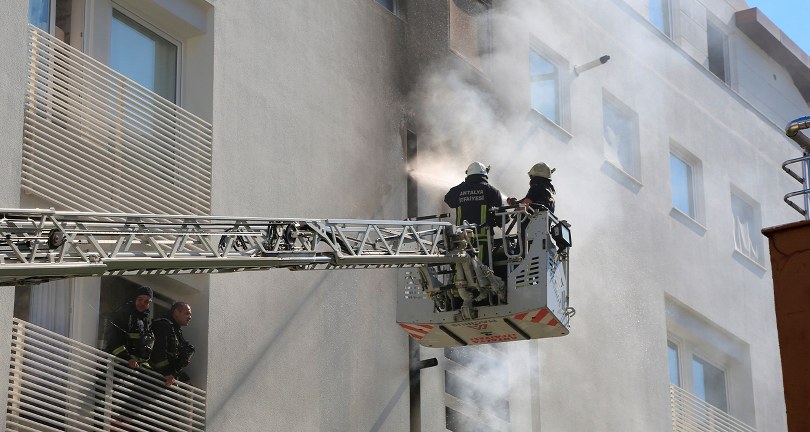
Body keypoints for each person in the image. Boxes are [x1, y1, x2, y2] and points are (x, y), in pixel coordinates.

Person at [444, 161, 505, 264]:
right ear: (484, 175)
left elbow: (448, 200)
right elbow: (502, 219)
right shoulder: (492, 191)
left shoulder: (457, 190)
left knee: (461, 270)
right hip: (482, 239)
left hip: (461, 239)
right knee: (482, 271)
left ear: (468, 174)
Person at [105, 286, 155, 369]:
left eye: (146, 301)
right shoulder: (124, 314)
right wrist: (127, 358)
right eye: (140, 299)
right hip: (119, 366)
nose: (142, 303)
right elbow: (113, 340)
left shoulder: (145, 320)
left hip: (135, 369)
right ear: (134, 299)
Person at [150, 302, 195, 387]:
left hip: (165, 382)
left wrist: (184, 378)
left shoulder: (176, 331)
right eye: (187, 313)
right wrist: (167, 373)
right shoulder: (163, 326)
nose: (190, 317)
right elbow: (158, 352)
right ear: (176, 312)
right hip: (153, 380)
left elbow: (173, 362)